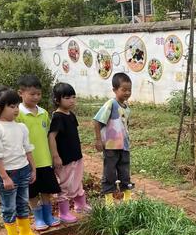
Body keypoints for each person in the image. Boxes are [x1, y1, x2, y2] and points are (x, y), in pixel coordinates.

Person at [0, 87, 42, 235]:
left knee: (23, 203)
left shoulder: (21, 127)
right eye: (11, 106)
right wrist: (4, 177)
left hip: (23, 170)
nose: (16, 109)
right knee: (9, 207)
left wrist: (33, 169)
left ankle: (25, 232)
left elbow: (27, 149)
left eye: (17, 105)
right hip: (8, 174)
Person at [16, 75, 61, 231]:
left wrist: (54, 155)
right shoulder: (18, 114)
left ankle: (48, 215)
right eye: (32, 94)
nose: (36, 97)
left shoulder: (43, 113)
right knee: (32, 192)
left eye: (39, 94)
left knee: (46, 190)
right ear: (21, 93)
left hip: (45, 159)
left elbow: (49, 135)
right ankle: (38, 218)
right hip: (28, 161)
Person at [48, 83, 91, 224]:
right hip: (64, 158)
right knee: (65, 185)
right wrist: (55, 156)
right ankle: (64, 212)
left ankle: (80, 205)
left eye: (73, 97)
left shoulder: (70, 115)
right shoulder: (57, 117)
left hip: (76, 156)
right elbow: (51, 136)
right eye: (67, 98)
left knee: (78, 181)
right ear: (57, 100)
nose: (72, 100)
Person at [93, 72, 133, 205]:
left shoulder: (127, 108)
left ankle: (127, 200)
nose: (127, 93)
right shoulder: (111, 104)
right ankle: (109, 202)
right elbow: (97, 121)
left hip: (124, 146)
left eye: (129, 90)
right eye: (124, 90)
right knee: (110, 173)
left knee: (125, 172)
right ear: (115, 90)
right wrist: (99, 140)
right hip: (111, 146)